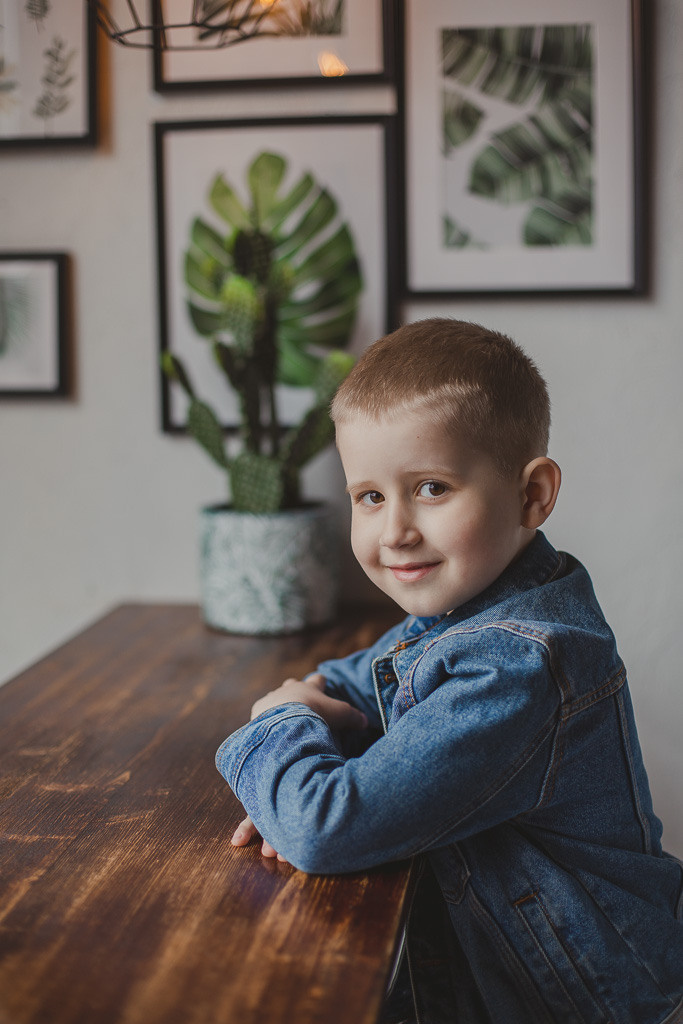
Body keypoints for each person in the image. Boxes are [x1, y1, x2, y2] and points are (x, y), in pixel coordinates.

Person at [216, 318, 683, 1024]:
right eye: (369, 497)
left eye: (430, 488)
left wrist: (278, 726)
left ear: (531, 495)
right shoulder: (466, 610)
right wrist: (318, 724)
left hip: (575, 1002)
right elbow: (351, 681)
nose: (394, 529)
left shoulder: (516, 661)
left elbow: (322, 829)